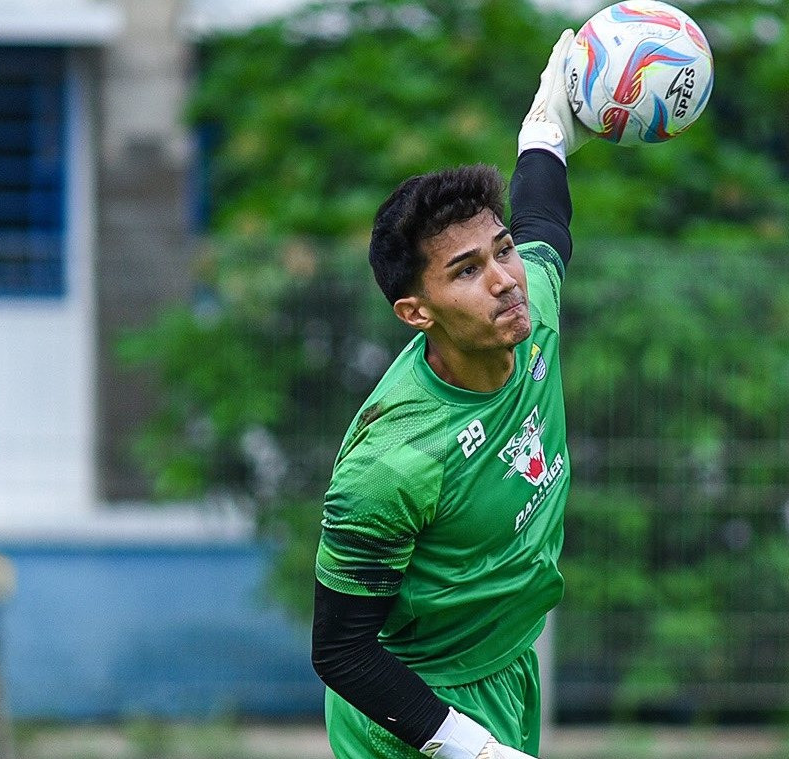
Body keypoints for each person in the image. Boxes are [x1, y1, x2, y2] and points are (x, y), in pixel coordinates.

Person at [311, 29, 593, 759]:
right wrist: (470, 748)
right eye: (466, 270)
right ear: (416, 311)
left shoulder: (531, 317)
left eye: (500, 251)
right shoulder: (395, 457)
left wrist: (544, 133)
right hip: (410, 711)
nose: (504, 277)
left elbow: (545, 223)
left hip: (507, 672)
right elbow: (341, 652)